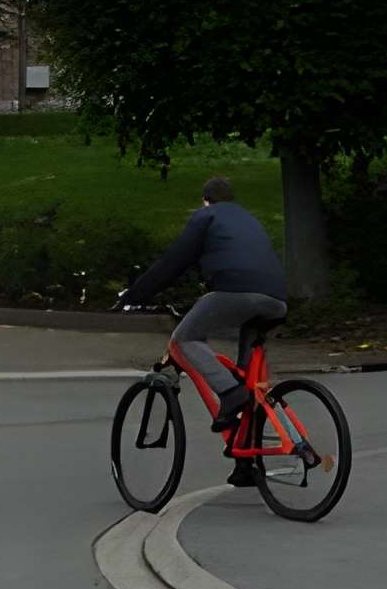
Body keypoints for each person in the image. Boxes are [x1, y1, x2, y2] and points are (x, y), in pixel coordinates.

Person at [119, 176, 287, 482]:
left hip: (234, 291)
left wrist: (134, 295)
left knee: (184, 339)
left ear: (205, 200)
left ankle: (229, 392)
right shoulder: (249, 219)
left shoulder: (206, 216)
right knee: (250, 381)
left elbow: (173, 262)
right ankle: (245, 463)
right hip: (276, 299)